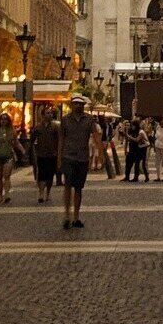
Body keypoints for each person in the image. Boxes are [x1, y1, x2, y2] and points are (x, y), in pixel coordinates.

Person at [59, 95, 102, 229]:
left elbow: (96, 136)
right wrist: (59, 158)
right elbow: (61, 139)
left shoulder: (89, 120)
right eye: (75, 103)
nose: (78, 106)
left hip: (82, 157)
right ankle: (67, 215)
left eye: (80, 104)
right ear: (72, 105)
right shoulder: (65, 120)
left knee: (78, 187)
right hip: (68, 156)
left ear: (83, 106)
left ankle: (76, 217)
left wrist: (100, 154)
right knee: (67, 186)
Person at [0, 112, 24, 204]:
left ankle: (7, 195)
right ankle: (0, 195)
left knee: (6, 176)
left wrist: (22, 150)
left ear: (8, 121)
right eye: (2, 119)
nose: (3, 121)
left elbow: (16, 142)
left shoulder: (11, 131)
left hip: (8, 156)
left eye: (5, 119)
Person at [32, 115, 60, 202]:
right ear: (43, 115)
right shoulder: (38, 127)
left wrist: (58, 152)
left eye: (50, 113)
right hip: (41, 154)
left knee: (50, 175)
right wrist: (34, 148)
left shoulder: (55, 127)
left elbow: (59, 140)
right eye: (47, 113)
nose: (50, 114)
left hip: (52, 154)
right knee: (41, 174)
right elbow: (32, 139)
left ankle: (48, 192)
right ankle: (41, 193)